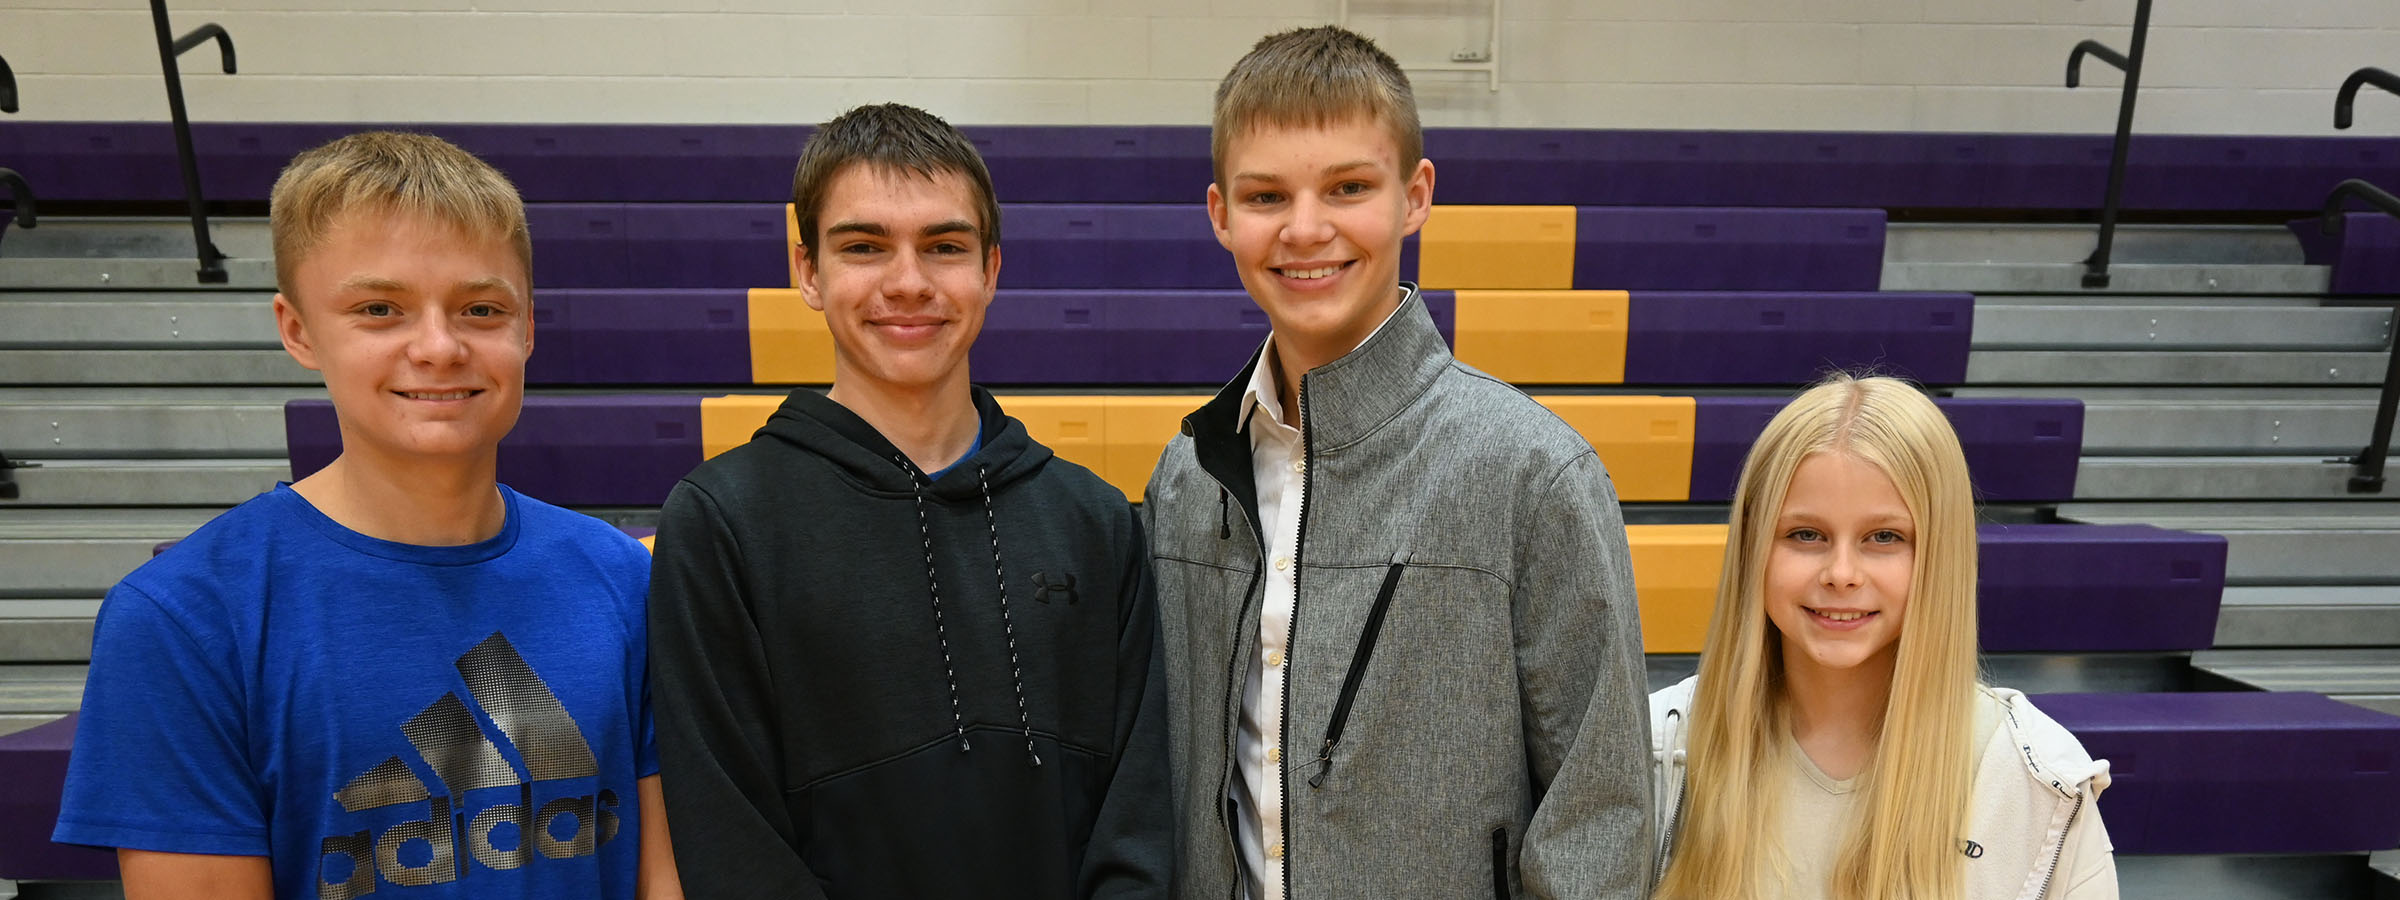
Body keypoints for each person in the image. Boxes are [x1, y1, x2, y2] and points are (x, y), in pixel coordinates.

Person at [52, 131, 678, 899]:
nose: (439, 347)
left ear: (528, 328)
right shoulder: (184, 619)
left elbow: (664, 876)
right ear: (298, 329)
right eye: (380, 309)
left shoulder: (619, 578)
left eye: (481, 308)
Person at [1143, 25, 1653, 899]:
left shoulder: (1531, 473)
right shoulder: (1189, 475)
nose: (1306, 229)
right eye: (1266, 196)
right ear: (1221, 214)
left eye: (1347, 187)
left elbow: (1599, 820)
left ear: (1414, 196)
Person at [644, 102, 1170, 899]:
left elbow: (1138, 824)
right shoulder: (724, 523)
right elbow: (731, 842)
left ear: (991, 269)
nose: (908, 282)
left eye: (944, 246)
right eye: (864, 246)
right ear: (807, 271)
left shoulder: (1093, 519)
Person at [1650, 374, 2117, 900]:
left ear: (1941, 556)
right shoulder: (1653, 748)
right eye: (1806, 534)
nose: (1841, 573)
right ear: (1752, 548)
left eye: (1884, 537)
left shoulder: (2038, 781)